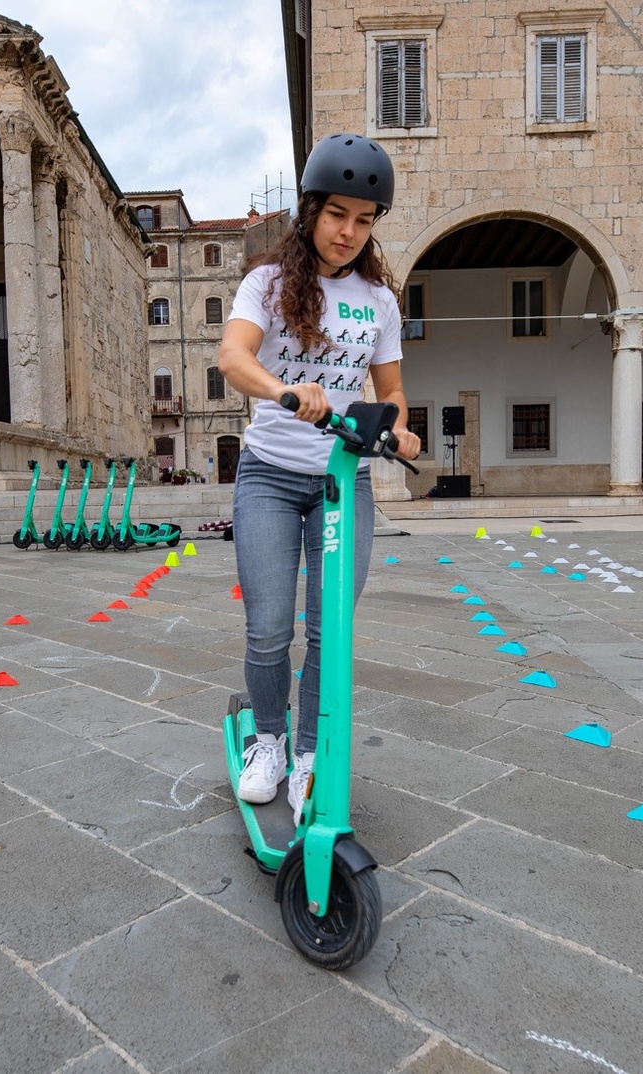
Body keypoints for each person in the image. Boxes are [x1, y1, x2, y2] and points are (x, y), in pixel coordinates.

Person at [217, 133, 421, 822]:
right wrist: (286, 390)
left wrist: (396, 426)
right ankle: (267, 742)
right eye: (338, 214)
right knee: (270, 626)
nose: (349, 233)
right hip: (270, 476)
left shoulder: (379, 303)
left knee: (330, 630)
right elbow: (233, 358)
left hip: (344, 482)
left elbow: (392, 392)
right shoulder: (267, 285)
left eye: (365, 220)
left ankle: (309, 755)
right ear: (310, 211)